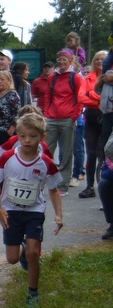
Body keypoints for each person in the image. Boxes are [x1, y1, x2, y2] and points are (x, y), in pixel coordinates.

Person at [0, 113, 63, 308]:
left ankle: (33, 293)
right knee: (12, 259)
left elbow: (53, 190)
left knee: (33, 252)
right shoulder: (7, 157)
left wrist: (58, 214)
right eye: (22, 136)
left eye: (33, 136)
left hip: (34, 211)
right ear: (17, 136)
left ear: (42, 138)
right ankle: (20, 250)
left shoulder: (46, 162)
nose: (27, 140)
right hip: (10, 210)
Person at [44, 49, 85, 196]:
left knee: (66, 152)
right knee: (45, 150)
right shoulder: (53, 77)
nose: (61, 62)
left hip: (68, 119)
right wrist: (47, 113)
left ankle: (63, 184)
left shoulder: (75, 77)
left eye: (64, 60)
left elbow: (80, 98)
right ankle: (44, 179)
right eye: (60, 59)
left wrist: (74, 116)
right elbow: (48, 96)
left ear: (70, 61)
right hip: (52, 118)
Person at [79, 51, 109, 198]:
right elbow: (81, 98)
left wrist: (92, 94)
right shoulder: (87, 78)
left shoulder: (109, 77)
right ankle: (90, 186)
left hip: (107, 117)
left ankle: (104, 185)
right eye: (97, 59)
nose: (100, 61)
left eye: (103, 59)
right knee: (91, 154)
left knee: (105, 153)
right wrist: (99, 99)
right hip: (91, 117)